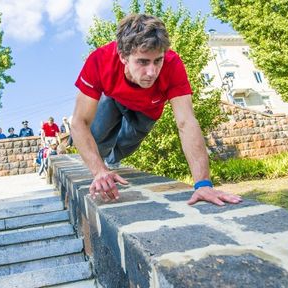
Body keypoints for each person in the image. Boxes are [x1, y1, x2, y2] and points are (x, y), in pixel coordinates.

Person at [71, 14, 242, 206]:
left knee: (123, 148)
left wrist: (203, 184)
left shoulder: (172, 64)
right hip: (113, 98)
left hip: (146, 111)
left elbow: (186, 122)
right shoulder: (100, 60)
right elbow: (78, 122)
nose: (152, 72)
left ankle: (112, 160)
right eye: (143, 62)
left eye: (157, 61)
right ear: (123, 57)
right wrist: (98, 171)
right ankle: (99, 158)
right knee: (98, 137)